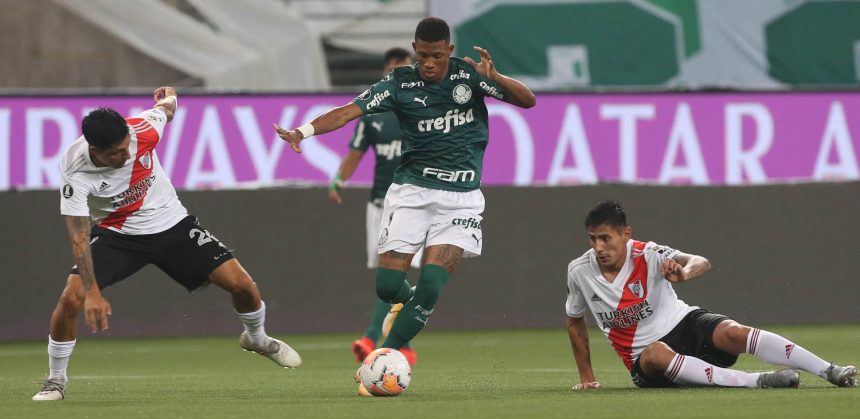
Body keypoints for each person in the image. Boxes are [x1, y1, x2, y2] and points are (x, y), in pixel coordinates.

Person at [275, 17, 536, 386]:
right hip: (411, 194)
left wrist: (496, 78)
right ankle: (406, 304)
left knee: (432, 283)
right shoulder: (399, 84)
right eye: (422, 55)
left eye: (435, 56)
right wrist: (303, 131)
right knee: (386, 287)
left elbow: (528, 101)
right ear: (415, 50)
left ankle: (383, 358)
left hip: (461, 200)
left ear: (449, 50)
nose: (428, 63)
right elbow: (349, 111)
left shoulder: (470, 77)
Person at [32, 87, 301, 401]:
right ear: (95, 149)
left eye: (126, 146)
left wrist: (168, 96)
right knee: (70, 299)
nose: (125, 154)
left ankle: (257, 338)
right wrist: (92, 293)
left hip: (173, 223)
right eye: (116, 153)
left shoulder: (143, 130)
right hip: (118, 235)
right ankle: (55, 381)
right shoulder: (75, 170)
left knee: (243, 286)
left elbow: (167, 109)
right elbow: (78, 233)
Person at [564, 200, 857, 390]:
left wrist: (684, 273)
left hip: (684, 323)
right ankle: (760, 381)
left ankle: (830, 370)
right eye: (593, 239)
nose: (598, 247)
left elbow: (700, 261)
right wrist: (586, 376)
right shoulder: (579, 271)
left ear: (625, 234)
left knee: (734, 332)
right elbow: (575, 320)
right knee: (655, 353)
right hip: (646, 358)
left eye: (605, 238)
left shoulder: (649, 253)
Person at [328, 47, 423, 367]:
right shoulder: (373, 115)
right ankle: (402, 344)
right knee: (390, 278)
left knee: (399, 275)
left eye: (407, 68)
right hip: (380, 204)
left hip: (415, 203)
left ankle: (373, 336)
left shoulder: (422, 109)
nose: (402, 74)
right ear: (386, 71)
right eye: (396, 69)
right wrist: (338, 180)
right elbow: (355, 153)